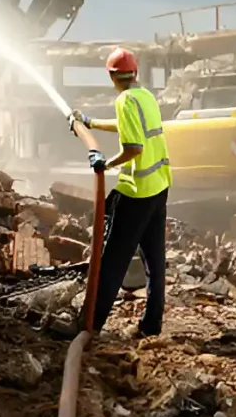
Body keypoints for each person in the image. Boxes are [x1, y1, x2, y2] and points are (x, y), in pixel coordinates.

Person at [68, 46, 172, 337]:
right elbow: (130, 128)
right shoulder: (145, 96)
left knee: (112, 261)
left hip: (136, 194)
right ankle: (151, 327)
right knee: (155, 263)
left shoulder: (125, 100)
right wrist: (91, 123)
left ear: (112, 77)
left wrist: (105, 164)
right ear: (135, 73)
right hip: (159, 188)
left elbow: (134, 147)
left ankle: (91, 324)